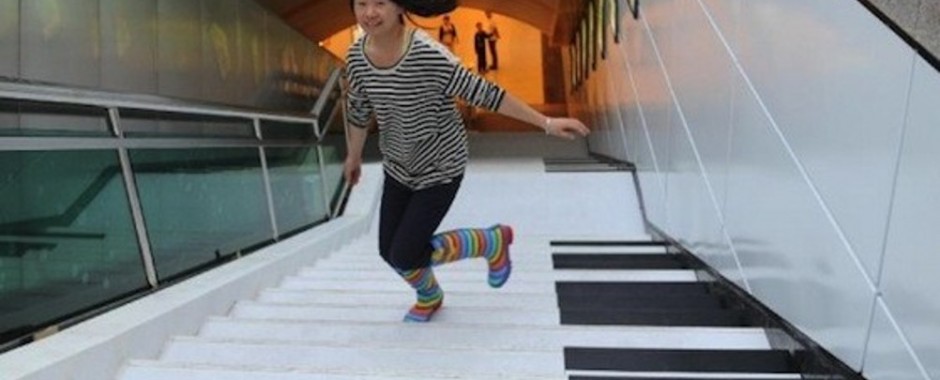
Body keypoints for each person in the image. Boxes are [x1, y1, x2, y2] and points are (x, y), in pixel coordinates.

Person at [344, 0, 590, 323]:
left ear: (400, 6)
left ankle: (489, 242)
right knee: (388, 251)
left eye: (380, 3)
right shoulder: (357, 57)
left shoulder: (426, 54)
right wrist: (354, 156)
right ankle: (432, 293)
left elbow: (484, 92)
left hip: (441, 165)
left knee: (404, 251)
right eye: (361, 3)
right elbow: (359, 110)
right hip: (398, 165)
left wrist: (545, 123)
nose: (369, 12)